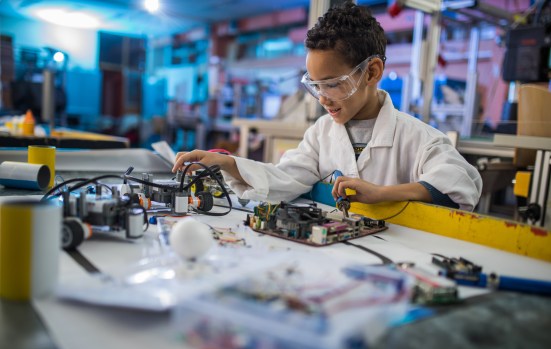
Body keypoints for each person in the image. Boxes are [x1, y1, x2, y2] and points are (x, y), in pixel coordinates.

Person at [173, 1, 482, 211]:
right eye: (315, 86)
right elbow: (286, 178)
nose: (322, 98)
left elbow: (461, 184)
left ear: (372, 72)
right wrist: (227, 163)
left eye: (333, 84)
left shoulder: (420, 139)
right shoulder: (321, 133)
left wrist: (382, 194)